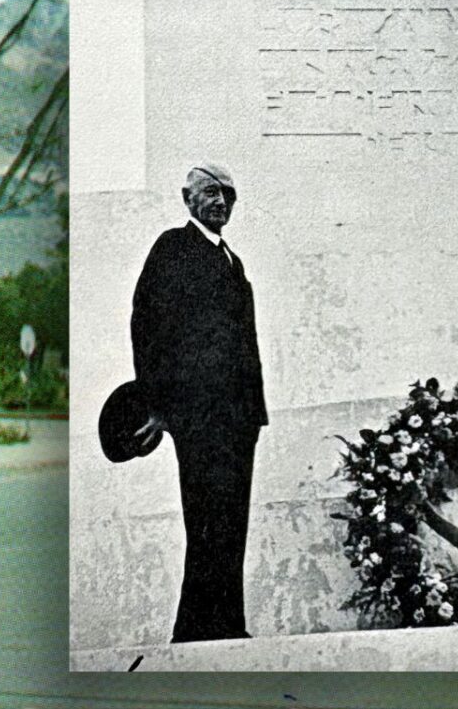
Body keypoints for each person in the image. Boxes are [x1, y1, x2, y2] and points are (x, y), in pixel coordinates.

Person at [130, 162, 268, 643]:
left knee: (233, 522)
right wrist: (156, 406)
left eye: (229, 195)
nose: (221, 202)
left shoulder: (233, 262)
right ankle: (193, 633)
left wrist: (254, 412)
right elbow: (145, 326)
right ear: (188, 199)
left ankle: (229, 627)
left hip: (239, 419)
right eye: (210, 192)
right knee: (207, 522)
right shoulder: (174, 249)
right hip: (198, 417)